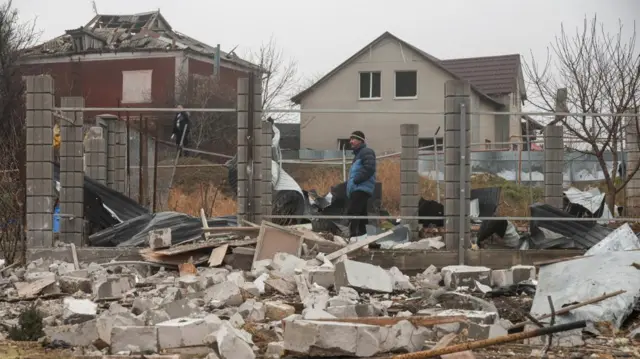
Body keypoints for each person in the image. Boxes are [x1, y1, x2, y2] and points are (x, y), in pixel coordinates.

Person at [346, 130, 376, 242]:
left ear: (360, 140)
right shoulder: (358, 154)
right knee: (362, 215)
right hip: (358, 188)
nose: (351, 141)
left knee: (353, 211)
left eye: (353, 139)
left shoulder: (366, 152)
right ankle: (364, 238)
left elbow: (370, 168)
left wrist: (357, 180)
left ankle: (353, 237)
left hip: (361, 187)